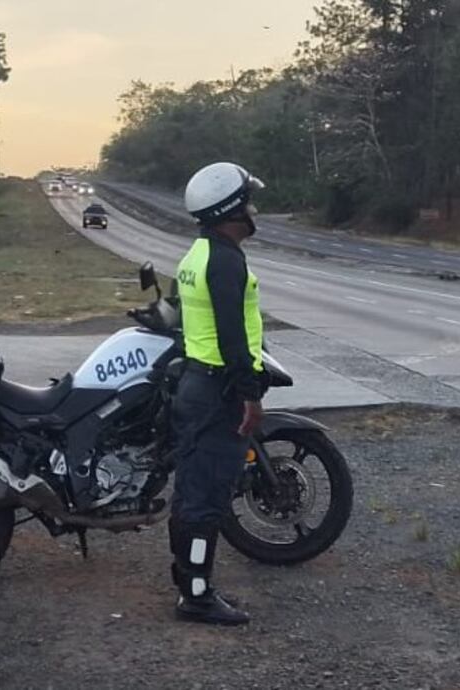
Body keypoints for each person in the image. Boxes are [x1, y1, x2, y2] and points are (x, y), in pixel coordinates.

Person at [169, 162, 267, 626]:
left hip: (197, 382)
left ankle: (188, 581)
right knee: (206, 498)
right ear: (231, 210)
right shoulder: (226, 261)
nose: (254, 210)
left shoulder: (198, 254)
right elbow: (231, 336)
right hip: (217, 390)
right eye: (248, 202)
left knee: (191, 491)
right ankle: (197, 597)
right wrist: (250, 395)